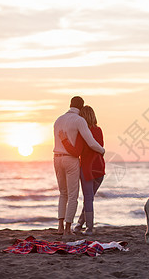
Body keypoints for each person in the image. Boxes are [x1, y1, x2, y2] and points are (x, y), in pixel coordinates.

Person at [53, 96, 105, 236]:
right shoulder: (79, 120)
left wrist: (63, 141)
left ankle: (60, 226)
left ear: (70, 104)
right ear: (81, 108)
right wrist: (102, 150)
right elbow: (91, 143)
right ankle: (68, 228)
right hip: (71, 159)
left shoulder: (58, 119)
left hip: (56, 158)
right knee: (73, 196)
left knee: (63, 193)